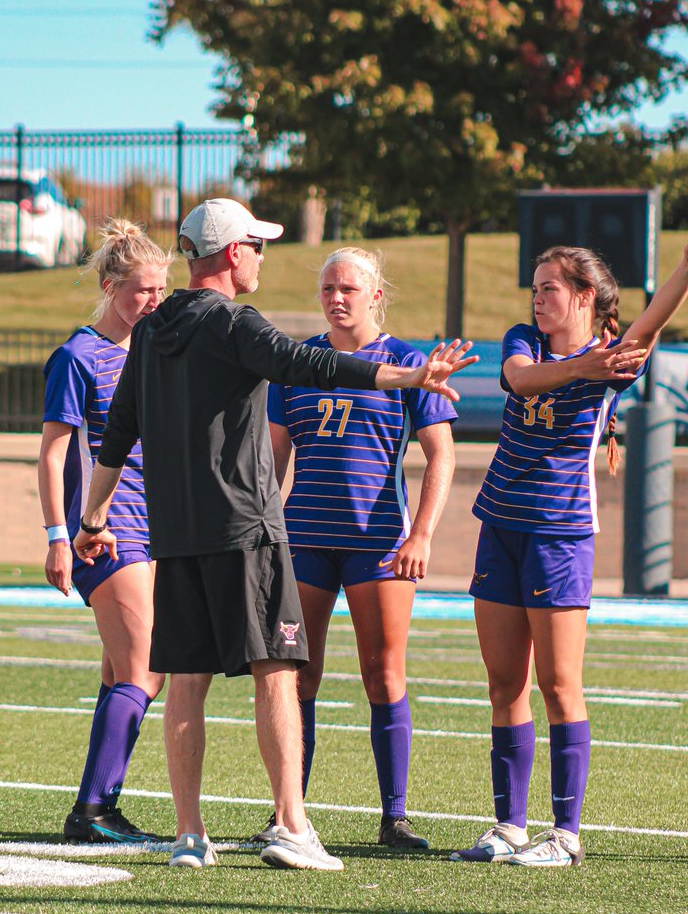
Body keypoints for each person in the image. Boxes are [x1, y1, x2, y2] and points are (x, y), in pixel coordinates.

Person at [72, 198, 477, 872]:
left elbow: (118, 431)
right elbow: (306, 365)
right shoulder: (234, 322)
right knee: (277, 672)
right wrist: (405, 375)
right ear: (232, 254)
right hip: (244, 529)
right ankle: (292, 825)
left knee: (188, 683)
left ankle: (189, 836)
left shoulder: (150, 329)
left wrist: (93, 519)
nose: (262, 256)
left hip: (174, 536)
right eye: (256, 246)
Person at [452, 228, 688, 868]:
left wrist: (686, 271)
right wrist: (581, 365)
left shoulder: (615, 357)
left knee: (558, 683)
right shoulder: (524, 342)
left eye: (550, 289)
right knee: (504, 684)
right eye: (534, 290)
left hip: (560, 533)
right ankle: (508, 826)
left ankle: (566, 835)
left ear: (585, 297)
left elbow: (652, 322)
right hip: (500, 525)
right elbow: (521, 381)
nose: (537, 300)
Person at [252, 246, 457, 850]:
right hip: (305, 542)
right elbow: (272, 460)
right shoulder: (299, 362)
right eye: (327, 289)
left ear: (376, 296)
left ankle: (394, 815)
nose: (336, 298)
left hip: (379, 546)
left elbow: (440, 452)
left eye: (348, 288)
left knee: (382, 673)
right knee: (297, 676)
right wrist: (266, 537)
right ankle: (290, 813)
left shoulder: (407, 362)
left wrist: (421, 533)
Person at [38, 218, 173, 843]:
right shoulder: (77, 355)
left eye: (161, 291)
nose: (153, 301)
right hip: (107, 530)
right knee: (145, 669)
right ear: (109, 285)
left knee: (123, 673)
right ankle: (91, 811)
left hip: (153, 527)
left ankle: (99, 805)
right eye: (142, 290)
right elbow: (53, 453)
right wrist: (59, 536)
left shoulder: (149, 353)